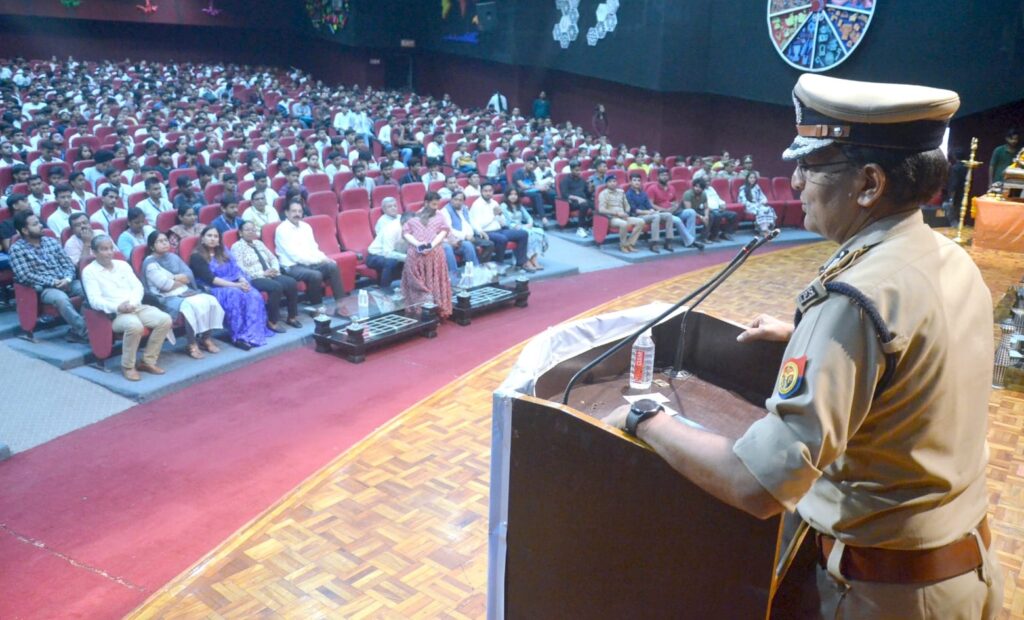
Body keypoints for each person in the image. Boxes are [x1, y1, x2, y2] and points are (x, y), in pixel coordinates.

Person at [605, 74, 1002, 620]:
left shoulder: (856, 300)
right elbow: (919, 367)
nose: (795, 182)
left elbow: (757, 485)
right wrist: (807, 341)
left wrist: (646, 418)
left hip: (888, 596)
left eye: (811, 167)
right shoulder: (945, 256)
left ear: (868, 184)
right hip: (961, 573)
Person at [82, 235, 173, 381]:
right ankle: (128, 366)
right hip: (115, 313)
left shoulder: (122, 265)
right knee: (134, 326)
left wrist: (132, 303)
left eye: (111, 248)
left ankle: (147, 361)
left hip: (135, 306)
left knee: (165, 319)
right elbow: (95, 301)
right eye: (104, 249)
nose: (109, 252)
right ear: (94, 252)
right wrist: (118, 307)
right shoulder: (89, 271)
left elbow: (137, 287)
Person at [142, 231, 224, 359]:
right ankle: (191, 344)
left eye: (166, 240)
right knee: (189, 307)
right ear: (152, 246)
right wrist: (180, 279)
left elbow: (189, 275)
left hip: (184, 290)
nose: (164, 243)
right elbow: (165, 286)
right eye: (160, 241)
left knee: (211, 300)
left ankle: (205, 338)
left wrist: (174, 279)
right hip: (165, 297)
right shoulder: (150, 263)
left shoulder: (173, 257)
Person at [9, 211, 89, 343]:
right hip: (45, 288)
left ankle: (76, 332)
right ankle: (86, 333)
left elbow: (68, 264)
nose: (41, 225)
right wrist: (53, 282)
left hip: (66, 281)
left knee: (88, 289)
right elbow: (24, 275)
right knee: (61, 299)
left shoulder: (51, 242)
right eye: (35, 224)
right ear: (25, 230)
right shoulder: (17, 249)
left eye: (39, 222)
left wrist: (67, 279)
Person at [189, 226, 273, 350]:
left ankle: (252, 332)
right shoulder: (197, 256)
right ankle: (238, 336)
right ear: (202, 238)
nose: (212, 239)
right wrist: (236, 285)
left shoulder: (224, 252)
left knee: (253, 294)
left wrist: (242, 280)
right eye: (209, 236)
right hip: (214, 288)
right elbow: (211, 279)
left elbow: (236, 269)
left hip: (233, 283)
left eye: (216, 236)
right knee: (234, 294)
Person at [274, 199, 348, 316]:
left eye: (300, 211)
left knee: (332, 266)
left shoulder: (306, 226)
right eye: (294, 211)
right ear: (287, 213)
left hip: (310, 263)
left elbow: (314, 248)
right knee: (315, 275)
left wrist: (325, 258)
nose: (297, 214)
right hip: (292, 266)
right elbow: (295, 256)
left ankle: (341, 305)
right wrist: (318, 260)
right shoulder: (282, 230)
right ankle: (316, 308)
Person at [232, 221, 302, 331]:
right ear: (240, 233)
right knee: (276, 287)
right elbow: (240, 268)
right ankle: (272, 321)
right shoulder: (237, 247)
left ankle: (292, 317)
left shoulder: (259, 243)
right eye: (247, 230)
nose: (251, 232)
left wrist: (274, 269)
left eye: (253, 229)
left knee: (291, 282)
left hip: (270, 273)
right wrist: (262, 274)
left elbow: (272, 258)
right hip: (254, 277)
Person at [400, 192, 452, 318]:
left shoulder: (440, 216)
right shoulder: (413, 217)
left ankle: (436, 310)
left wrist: (432, 245)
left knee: (435, 281)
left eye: (437, 204)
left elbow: (444, 232)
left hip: (435, 256)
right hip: (416, 256)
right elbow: (405, 233)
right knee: (417, 284)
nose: (436, 207)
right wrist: (418, 244)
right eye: (433, 204)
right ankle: (419, 311)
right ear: (426, 203)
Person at [469, 183, 529, 271]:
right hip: (486, 232)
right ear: (481, 192)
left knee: (523, 234)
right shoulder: (477, 205)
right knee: (502, 239)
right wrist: (493, 215)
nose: (488, 193)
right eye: (485, 191)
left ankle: (521, 263)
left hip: (499, 229)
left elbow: (503, 223)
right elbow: (478, 224)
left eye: (490, 191)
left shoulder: (494, 202)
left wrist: (500, 216)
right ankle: (499, 264)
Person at [646, 168, 703, 250]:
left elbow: (676, 201)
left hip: (674, 211)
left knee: (691, 212)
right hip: (662, 214)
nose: (665, 177)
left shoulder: (671, 187)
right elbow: (650, 204)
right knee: (677, 220)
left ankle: (689, 239)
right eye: (662, 175)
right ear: (657, 177)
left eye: (666, 175)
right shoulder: (652, 188)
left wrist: (675, 206)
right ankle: (691, 242)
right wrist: (664, 210)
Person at [625, 173, 675, 253]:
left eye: (638, 180)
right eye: (634, 180)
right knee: (656, 217)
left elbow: (649, 206)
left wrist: (652, 210)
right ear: (630, 182)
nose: (637, 182)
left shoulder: (643, 193)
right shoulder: (628, 194)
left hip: (648, 214)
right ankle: (654, 243)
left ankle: (668, 241)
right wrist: (649, 212)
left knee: (668, 215)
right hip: (637, 216)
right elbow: (635, 210)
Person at [502, 188, 546, 271]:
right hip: (512, 228)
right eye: (511, 194)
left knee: (539, 232)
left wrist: (530, 223)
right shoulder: (503, 206)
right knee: (528, 233)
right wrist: (521, 226)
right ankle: (526, 260)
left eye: (515, 194)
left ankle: (534, 259)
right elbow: (507, 223)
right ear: (507, 196)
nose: (513, 196)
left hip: (522, 226)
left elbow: (528, 217)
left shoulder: (519, 205)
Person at [597, 176, 644, 253]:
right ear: (606, 184)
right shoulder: (603, 194)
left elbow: (627, 206)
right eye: (610, 182)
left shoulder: (621, 192)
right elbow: (601, 210)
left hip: (623, 216)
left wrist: (626, 212)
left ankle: (630, 244)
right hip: (612, 218)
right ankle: (623, 245)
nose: (612, 183)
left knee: (640, 221)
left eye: (614, 181)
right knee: (623, 224)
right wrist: (617, 213)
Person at [366, 209, 407, 290]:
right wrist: (406, 257)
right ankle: (385, 290)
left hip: (395, 253)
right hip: (375, 256)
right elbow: (387, 253)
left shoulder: (410, 229)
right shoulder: (392, 229)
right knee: (391, 262)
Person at [559, 160, 594, 238]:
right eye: (576, 170)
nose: (579, 172)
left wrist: (590, 189)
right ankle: (580, 228)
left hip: (583, 200)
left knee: (596, 205)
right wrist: (578, 199)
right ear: (571, 170)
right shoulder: (565, 180)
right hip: (571, 202)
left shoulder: (582, 180)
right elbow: (565, 194)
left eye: (579, 170)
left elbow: (587, 194)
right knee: (584, 204)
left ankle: (588, 226)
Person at [737, 171, 777, 236]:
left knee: (768, 209)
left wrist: (762, 202)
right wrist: (754, 205)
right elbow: (742, 201)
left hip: (758, 205)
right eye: (751, 178)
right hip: (748, 207)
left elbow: (763, 197)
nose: (752, 179)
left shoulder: (757, 187)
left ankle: (766, 228)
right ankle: (764, 230)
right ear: (747, 179)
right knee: (760, 210)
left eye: (754, 178)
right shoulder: (743, 188)